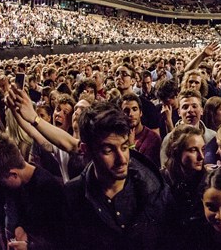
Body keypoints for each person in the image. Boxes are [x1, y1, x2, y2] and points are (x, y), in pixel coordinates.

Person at [64, 101, 172, 249]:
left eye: (124, 147)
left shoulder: (156, 191)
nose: (122, 159)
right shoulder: (72, 196)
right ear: (86, 150)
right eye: (108, 150)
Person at [0, 130, 66, 250]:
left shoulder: (49, 188)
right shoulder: (19, 185)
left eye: (2, 181)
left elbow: (62, 241)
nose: (2, 185)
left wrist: (30, 246)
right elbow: (24, 217)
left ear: (13, 174)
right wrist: (19, 227)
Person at [161, 125, 206, 238]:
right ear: (176, 152)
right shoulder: (161, 181)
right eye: (193, 150)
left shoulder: (209, 180)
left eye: (203, 149)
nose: (201, 156)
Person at [120, 93, 161, 167]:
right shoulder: (118, 137)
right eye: (126, 110)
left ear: (140, 113)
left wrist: (131, 147)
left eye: (134, 109)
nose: (131, 114)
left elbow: (146, 171)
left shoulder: (153, 138)